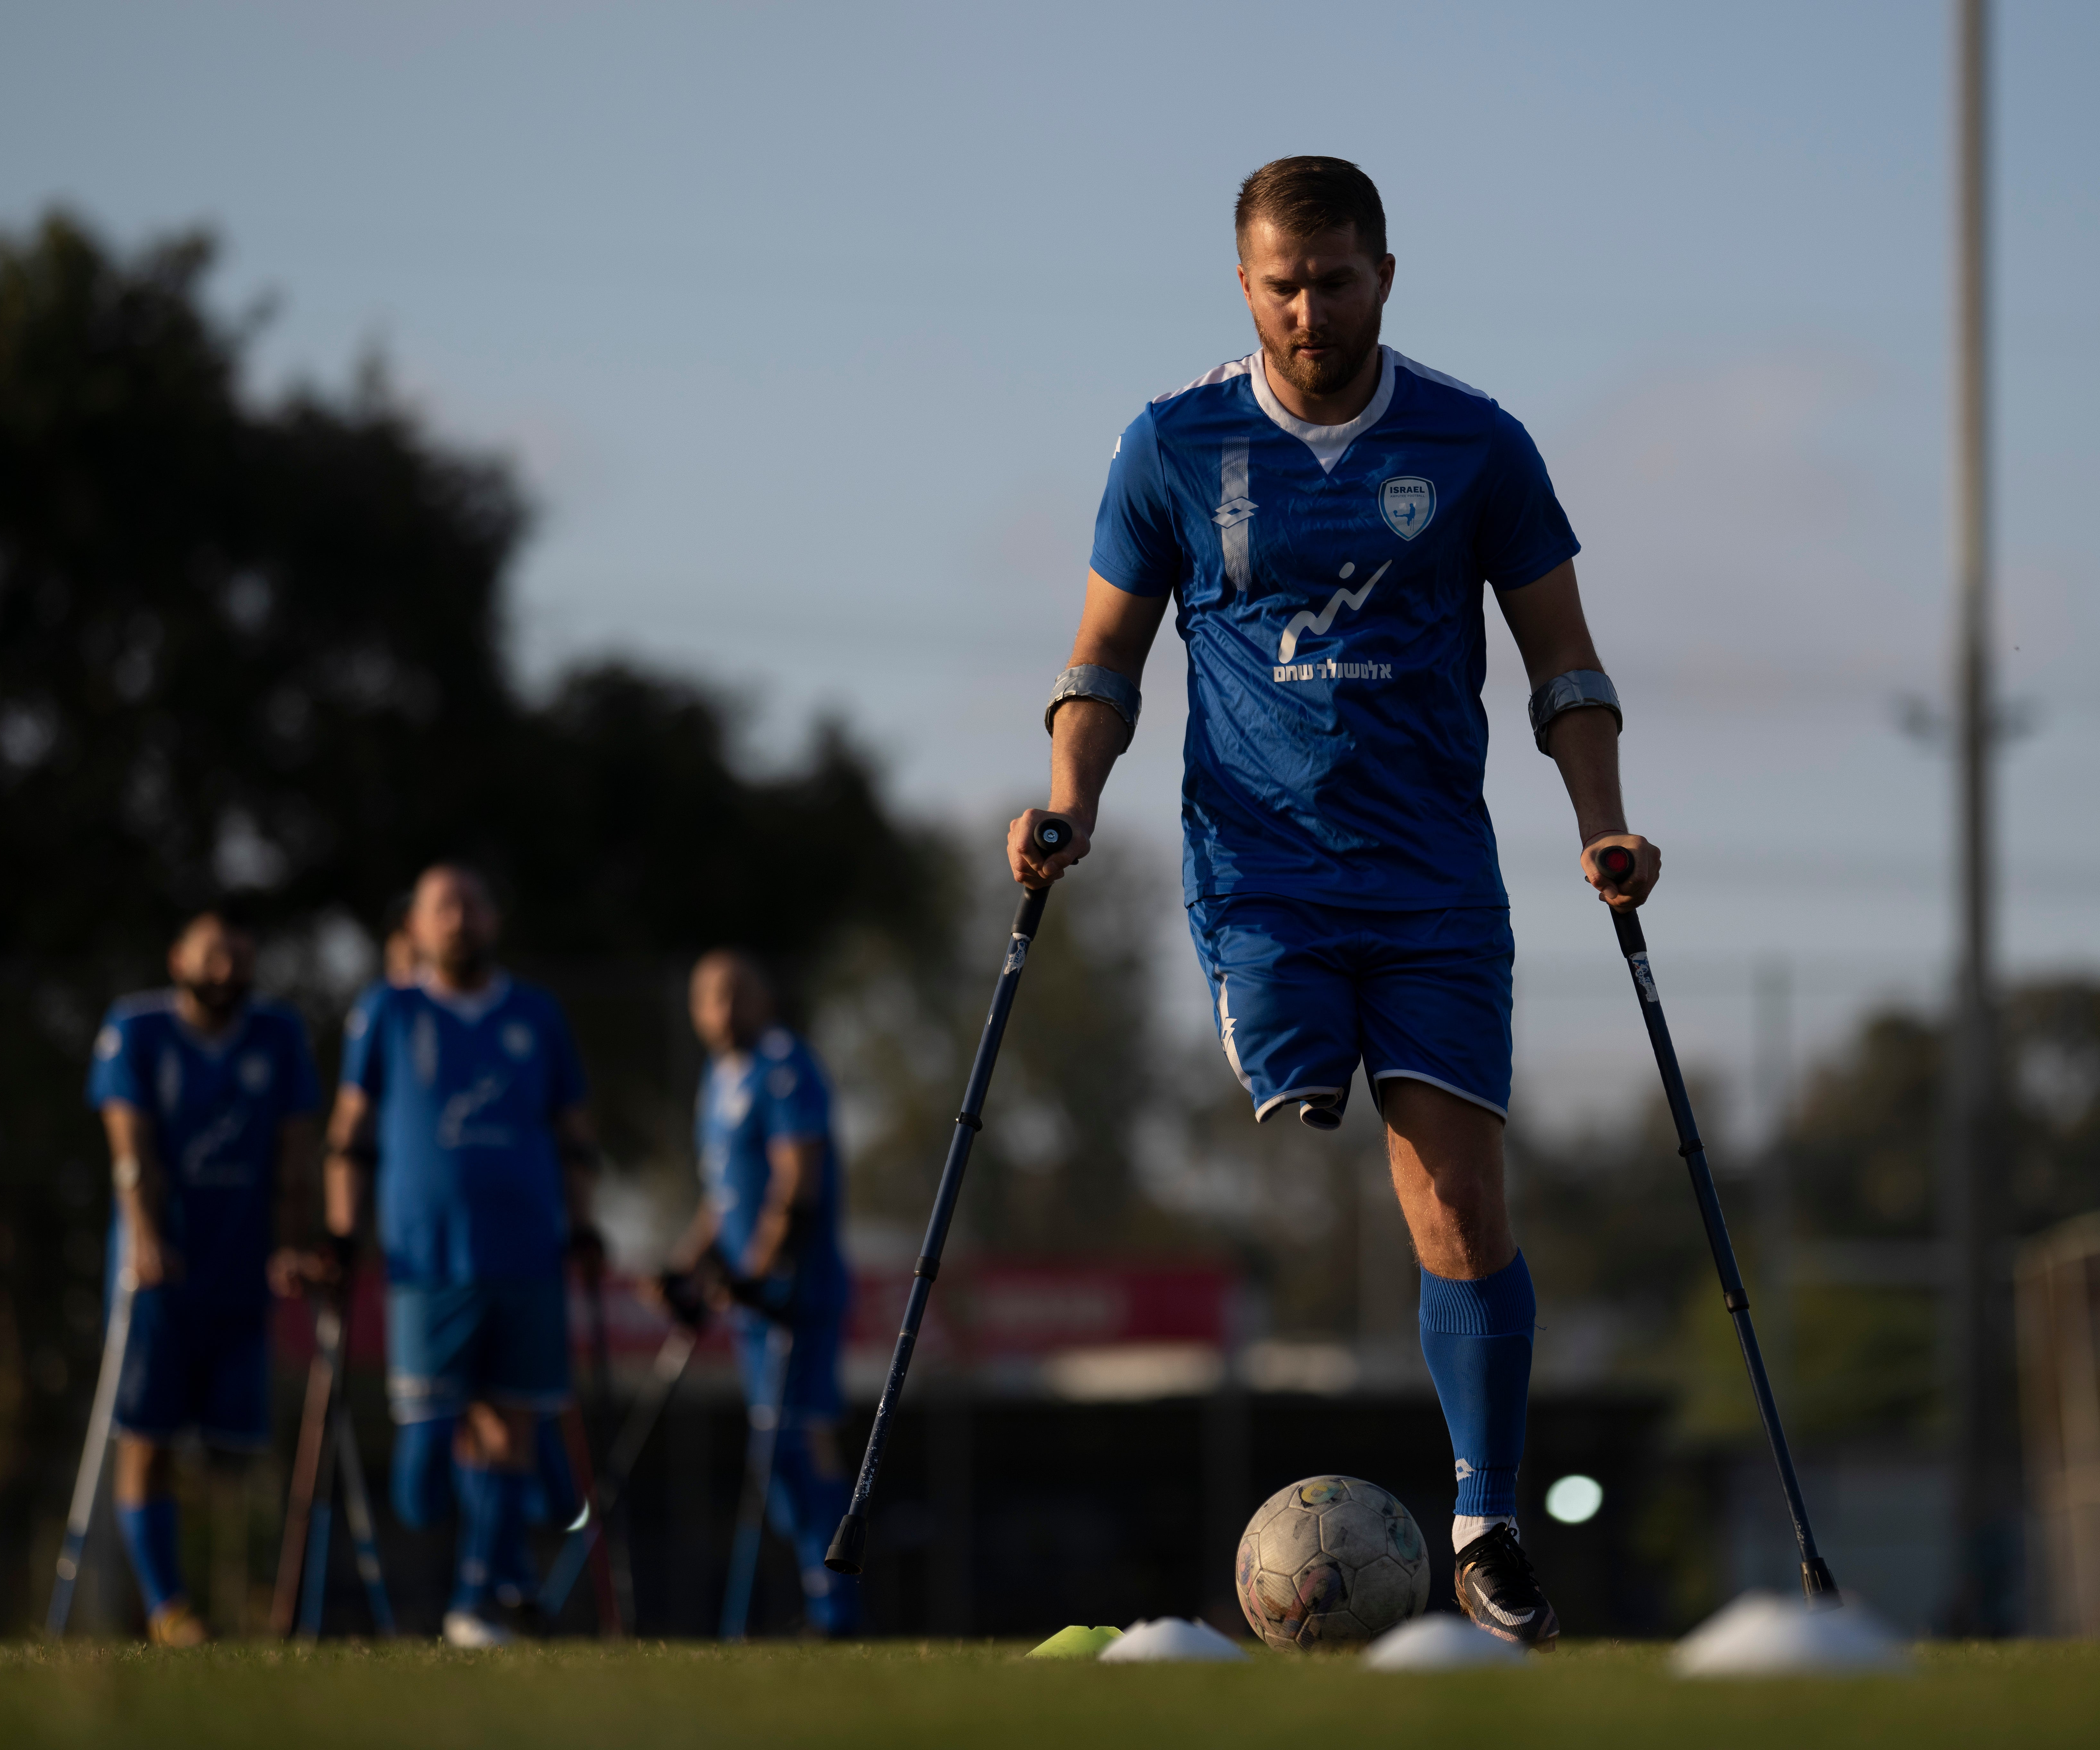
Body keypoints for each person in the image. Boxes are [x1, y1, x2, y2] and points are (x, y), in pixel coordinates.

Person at [1008, 156, 1661, 1650]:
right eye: (1281, 284)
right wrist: (1069, 797)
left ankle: (1487, 1515)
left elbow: (1565, 657)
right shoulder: (1172, 445)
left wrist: (1606, 825)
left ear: (1384, 275)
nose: (1310, 309)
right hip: (1265, 869)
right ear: (1244, 287)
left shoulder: (1477, 443)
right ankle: (1307, 1074)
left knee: (1461, 1199)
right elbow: (1100, 657)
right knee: (1302, 1085)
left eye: (1336, 280)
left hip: (1435, 875)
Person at [325, 863, 602, 1647]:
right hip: (425, 1263)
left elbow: (573, 1129)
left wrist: (583, 1224)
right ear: (413, 927)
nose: (459, 918)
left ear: (494, 920)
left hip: (525, 1255)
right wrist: (342, 1232)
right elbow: (350, 1131)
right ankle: (513, 1567)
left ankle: (478, 1601)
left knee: (510, 1422)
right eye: (442, 907)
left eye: (473, 904)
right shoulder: (387, 1009)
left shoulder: (536, 1014)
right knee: (422, 1472)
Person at [88, 911, 329, 1645]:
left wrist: (294, 1243)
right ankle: (169, 1608)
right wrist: (147, 1236)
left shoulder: (278, 1034)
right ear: (179, 958)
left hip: (239, 1273)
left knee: (236, 1451)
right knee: (147, 1438)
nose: (227, 971)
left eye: (240, 957)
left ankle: (251, 1600)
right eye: (213, 956)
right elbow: (129, 1148)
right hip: (159, 1275)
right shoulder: (137, 1027)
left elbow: (294, 1156)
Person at [664, 951, 860, 1636]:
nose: (724, 1008)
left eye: (737, 992)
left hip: (795, 1290)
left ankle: (836, 1606)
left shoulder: (784, 1064)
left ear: (763, 996)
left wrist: (756, 1269)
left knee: (800, 1441)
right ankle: (821, 1595)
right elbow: (725, 1194)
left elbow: (794, 1178)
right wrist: (687, 1266)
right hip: (751, 1299)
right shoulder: (717, 1081)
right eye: (710, 996)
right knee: (774, 1456)